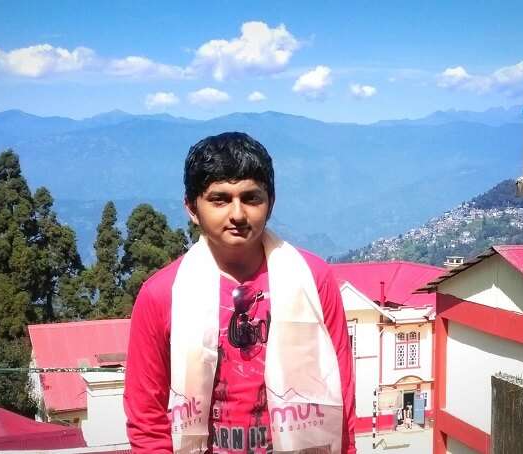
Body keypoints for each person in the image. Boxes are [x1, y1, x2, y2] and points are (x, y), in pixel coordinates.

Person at [123, 132, 356, 454]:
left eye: (251, 198)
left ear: (270, 203)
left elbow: (341, 392)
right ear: (192, 208)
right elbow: (147, 417)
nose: (237, 214)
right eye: (219, 199)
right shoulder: (162, 295)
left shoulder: (313, 280)